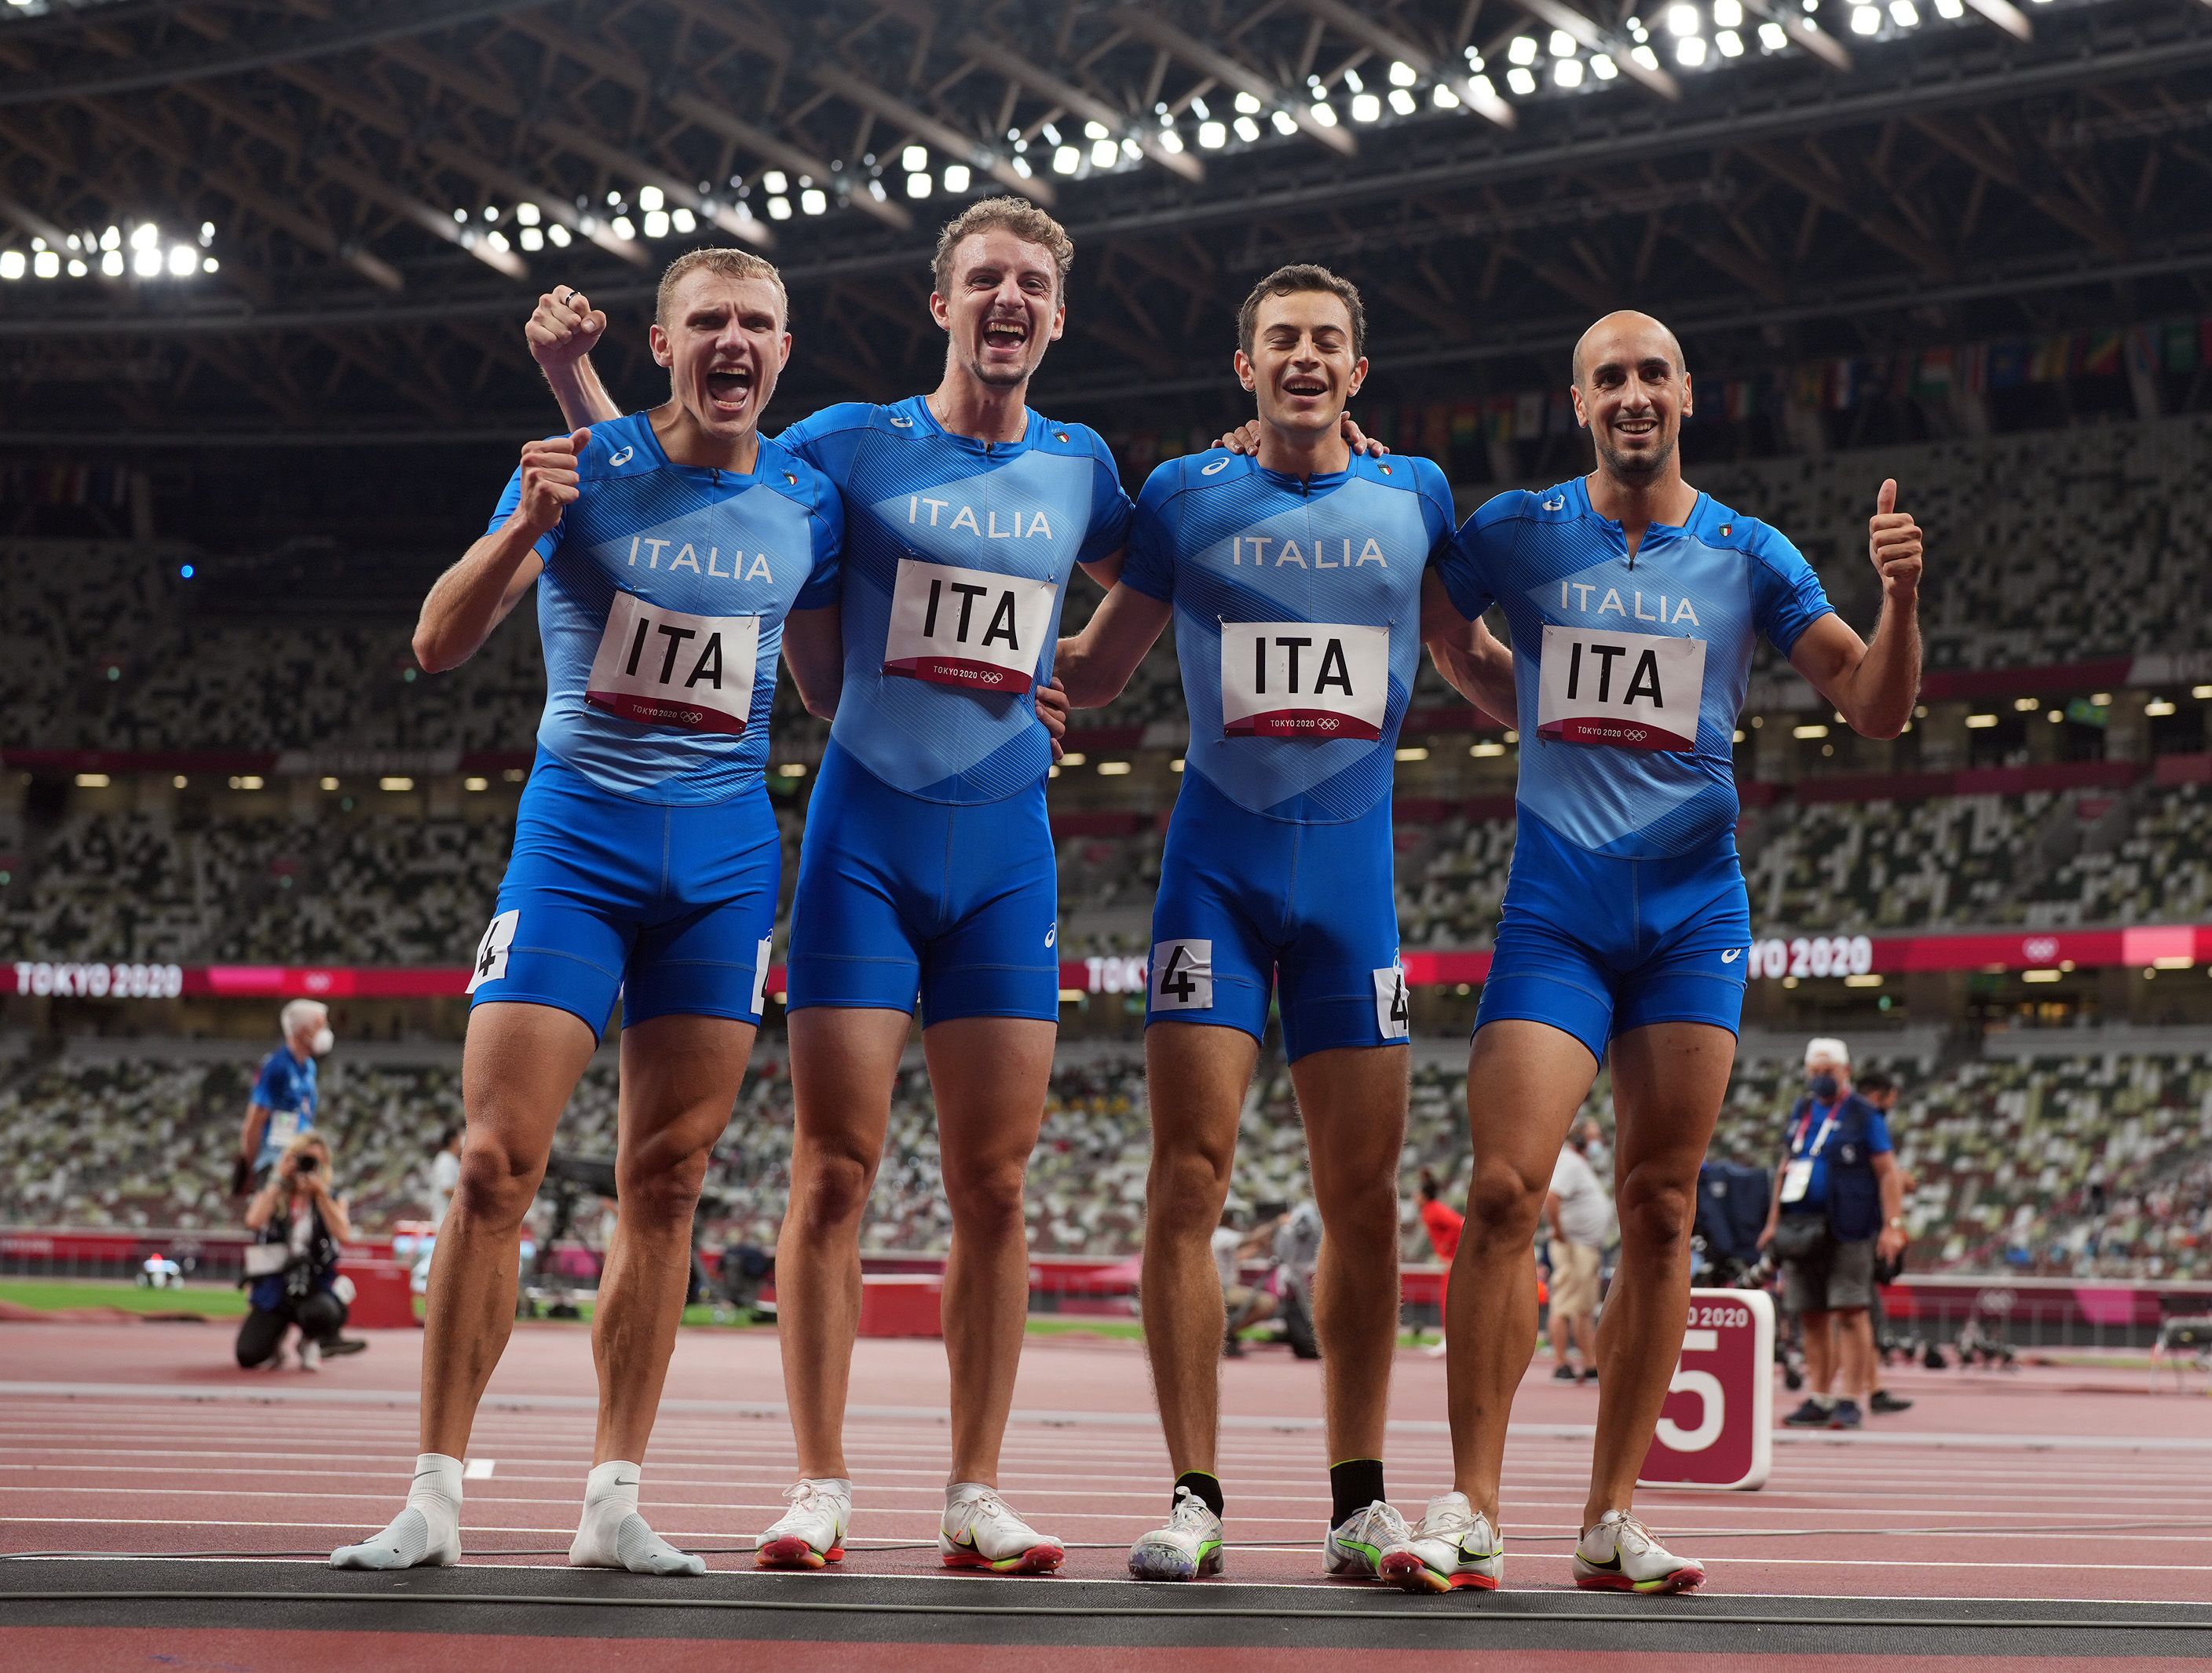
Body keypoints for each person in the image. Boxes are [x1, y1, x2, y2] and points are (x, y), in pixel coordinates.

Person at [532, 197, 1130, 1576]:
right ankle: (819, 1482)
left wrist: (1079, 677)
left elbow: (1162, 569)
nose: (1007, 302)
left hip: (1006, 852)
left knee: (995, 1182)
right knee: (833, 1173)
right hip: (862, 834)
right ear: (941, 303)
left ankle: (976, 1488)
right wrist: (574, 381)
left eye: (1031, 283)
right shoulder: (847, 442)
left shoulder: (1084, 466)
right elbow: (679, 468)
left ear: (1056, 312)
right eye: (983, 279)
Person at [332, 247, 844, 1577]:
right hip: (576, 845)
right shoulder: (577, 463)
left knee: (665, 1183)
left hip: (727, 864)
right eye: (709, 322)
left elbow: (843, 684)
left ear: (785, 353)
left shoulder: (809, 497)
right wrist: (523, 525)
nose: (734, 342)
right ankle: (433, 1494)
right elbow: (437, 644)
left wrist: (1019, 690)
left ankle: (615, 1494)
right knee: (499, 1162)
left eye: (757, 325)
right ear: (667, 342)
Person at [1409, 309, 1925, 1593]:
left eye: (1651, 374)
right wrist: (1493, 688)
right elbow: (1433, 610)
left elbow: (1873, 705)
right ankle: (1470, 1505)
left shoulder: (1748, 555)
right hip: (1557, 910)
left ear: (1685, 394)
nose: (1631, 395)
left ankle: (1608, 1515)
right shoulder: (1520, 530)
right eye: (1608, 379)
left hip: (1693, 914)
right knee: (1499, 1192)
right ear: (1577, 399)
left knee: (1658, 1209)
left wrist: (1902, 595)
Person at [1054, 264, 1515, 1585]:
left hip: (1351, 889)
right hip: (1213, 867)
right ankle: (1194, 1493)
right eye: (1279, 342)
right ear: (1243, 369)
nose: (1303, 359)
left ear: (1357, 374)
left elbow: (1464, 657)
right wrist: (995, 677)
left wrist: (1577, 721)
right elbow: (1096, 661)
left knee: (1360, 1197)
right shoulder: (1186, 498)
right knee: (1185, 1181)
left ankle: (1358, 1498)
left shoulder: (1414, 492)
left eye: (1325, 342)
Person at [1761, 1040, 1907, 1430]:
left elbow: (1888, 1173)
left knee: (1851, 1311)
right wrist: (1773, 1221)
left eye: (1829, 1071)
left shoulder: (1863, 1113)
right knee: (1810, 1315)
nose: (1821, 1078)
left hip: (1851, 1227)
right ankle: (1819, 1396)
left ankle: (1850, 1399)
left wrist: (1893, 1226)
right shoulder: (1802, 1110)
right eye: (1815, 1072)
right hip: (1802, 1229)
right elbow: (1785, 1166)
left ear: (1846, 1070)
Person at [237, 1134, 353, 1372]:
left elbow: (343, 1233)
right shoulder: (275, 1193)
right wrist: (279, 1178)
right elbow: (254, 1221)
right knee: (248, 1355)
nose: (307, 1168)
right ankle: (275, 1340)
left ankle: (310, 1340)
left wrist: (319, 1193)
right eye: (303, 1160)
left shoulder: (332, 1198)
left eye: (314, 1163)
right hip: (276, 1284)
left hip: (314, 1284)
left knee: (324, 1311)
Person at [1852, 1068, 1914, 1415]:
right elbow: (1884, 1175)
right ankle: (1854, 1391)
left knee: (1862, 1313)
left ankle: (1870, 1388)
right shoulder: (1866, 1120)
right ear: (1879, 1095)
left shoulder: (1854, 1121)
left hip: (1860, 1234)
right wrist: (1893, 1224)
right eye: (1891, 1098)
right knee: (1858, 1314)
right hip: (1859, 1237)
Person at [233, 999, 331, 1196]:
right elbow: (254, 1122)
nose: (327, 1032)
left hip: (302, 1159)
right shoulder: (276, 1068)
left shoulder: (309, 1067)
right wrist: (251, 1168)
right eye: (321, 1026)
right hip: (275, 1162)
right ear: (304, 1031)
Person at [1545, 1129, 1608, 1385]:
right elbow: (1552, 1196)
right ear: (1582, 1141)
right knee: (1564, 1304)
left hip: (1585, 1246)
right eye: (1594, 1137)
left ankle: (1590, 1364)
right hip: (1574, 1246)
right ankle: (1561, 1364)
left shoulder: (1578, 1164)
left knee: (1583, 1309)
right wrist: (1560, 1232)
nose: (1599, 1142)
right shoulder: (1570, 1162)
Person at [1211, 1207, 1280, 1357]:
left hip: (1225, 1288)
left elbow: (1239, 1255)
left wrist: (1261, 1245)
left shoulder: (1218, 1237)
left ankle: (1224, 1334)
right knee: (1268, 1303)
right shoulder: (1221, 1233)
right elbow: (1251, 1238)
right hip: (1222, 1289)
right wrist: (1277, 1223)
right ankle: (1225, 1335)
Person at [1417, 1170, 1464, 1358]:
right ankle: (1449, 1340)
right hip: (1451, 1259)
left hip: (1452, 1260)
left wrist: (1446, 1249)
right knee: (1447, 1298)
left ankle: (1448, 1341)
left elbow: (1458, 1224)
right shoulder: (1431, 1210)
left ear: (1424, 1195)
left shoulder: (1433, 1210)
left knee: (1447, 1299)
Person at [426, 1126, 463, 1229]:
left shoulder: (453, 1160)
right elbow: (446, 1189)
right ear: (453, 1140)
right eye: (461, 1137)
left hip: (451, 1223)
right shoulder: (445, 1160)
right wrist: (470, 1195)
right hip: (445, 1223)